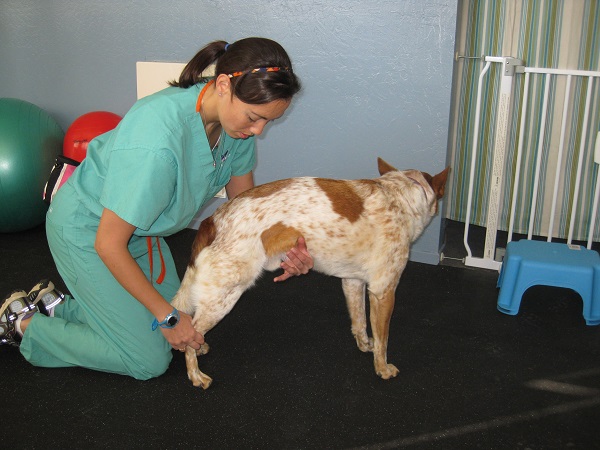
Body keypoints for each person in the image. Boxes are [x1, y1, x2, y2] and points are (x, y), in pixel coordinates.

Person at [0, 37, 313, 380]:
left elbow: (243, 213)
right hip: (87, 231)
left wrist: (280, 249)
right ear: (223, 85)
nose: (258, 131)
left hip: (140, 232)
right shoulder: (158, 140)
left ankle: (56, 306)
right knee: (149, 359)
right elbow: (108, 243)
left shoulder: (234, 130)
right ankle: (25, 326)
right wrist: (167, 318)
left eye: (268, 121)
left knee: (182, 316)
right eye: (255, 117)